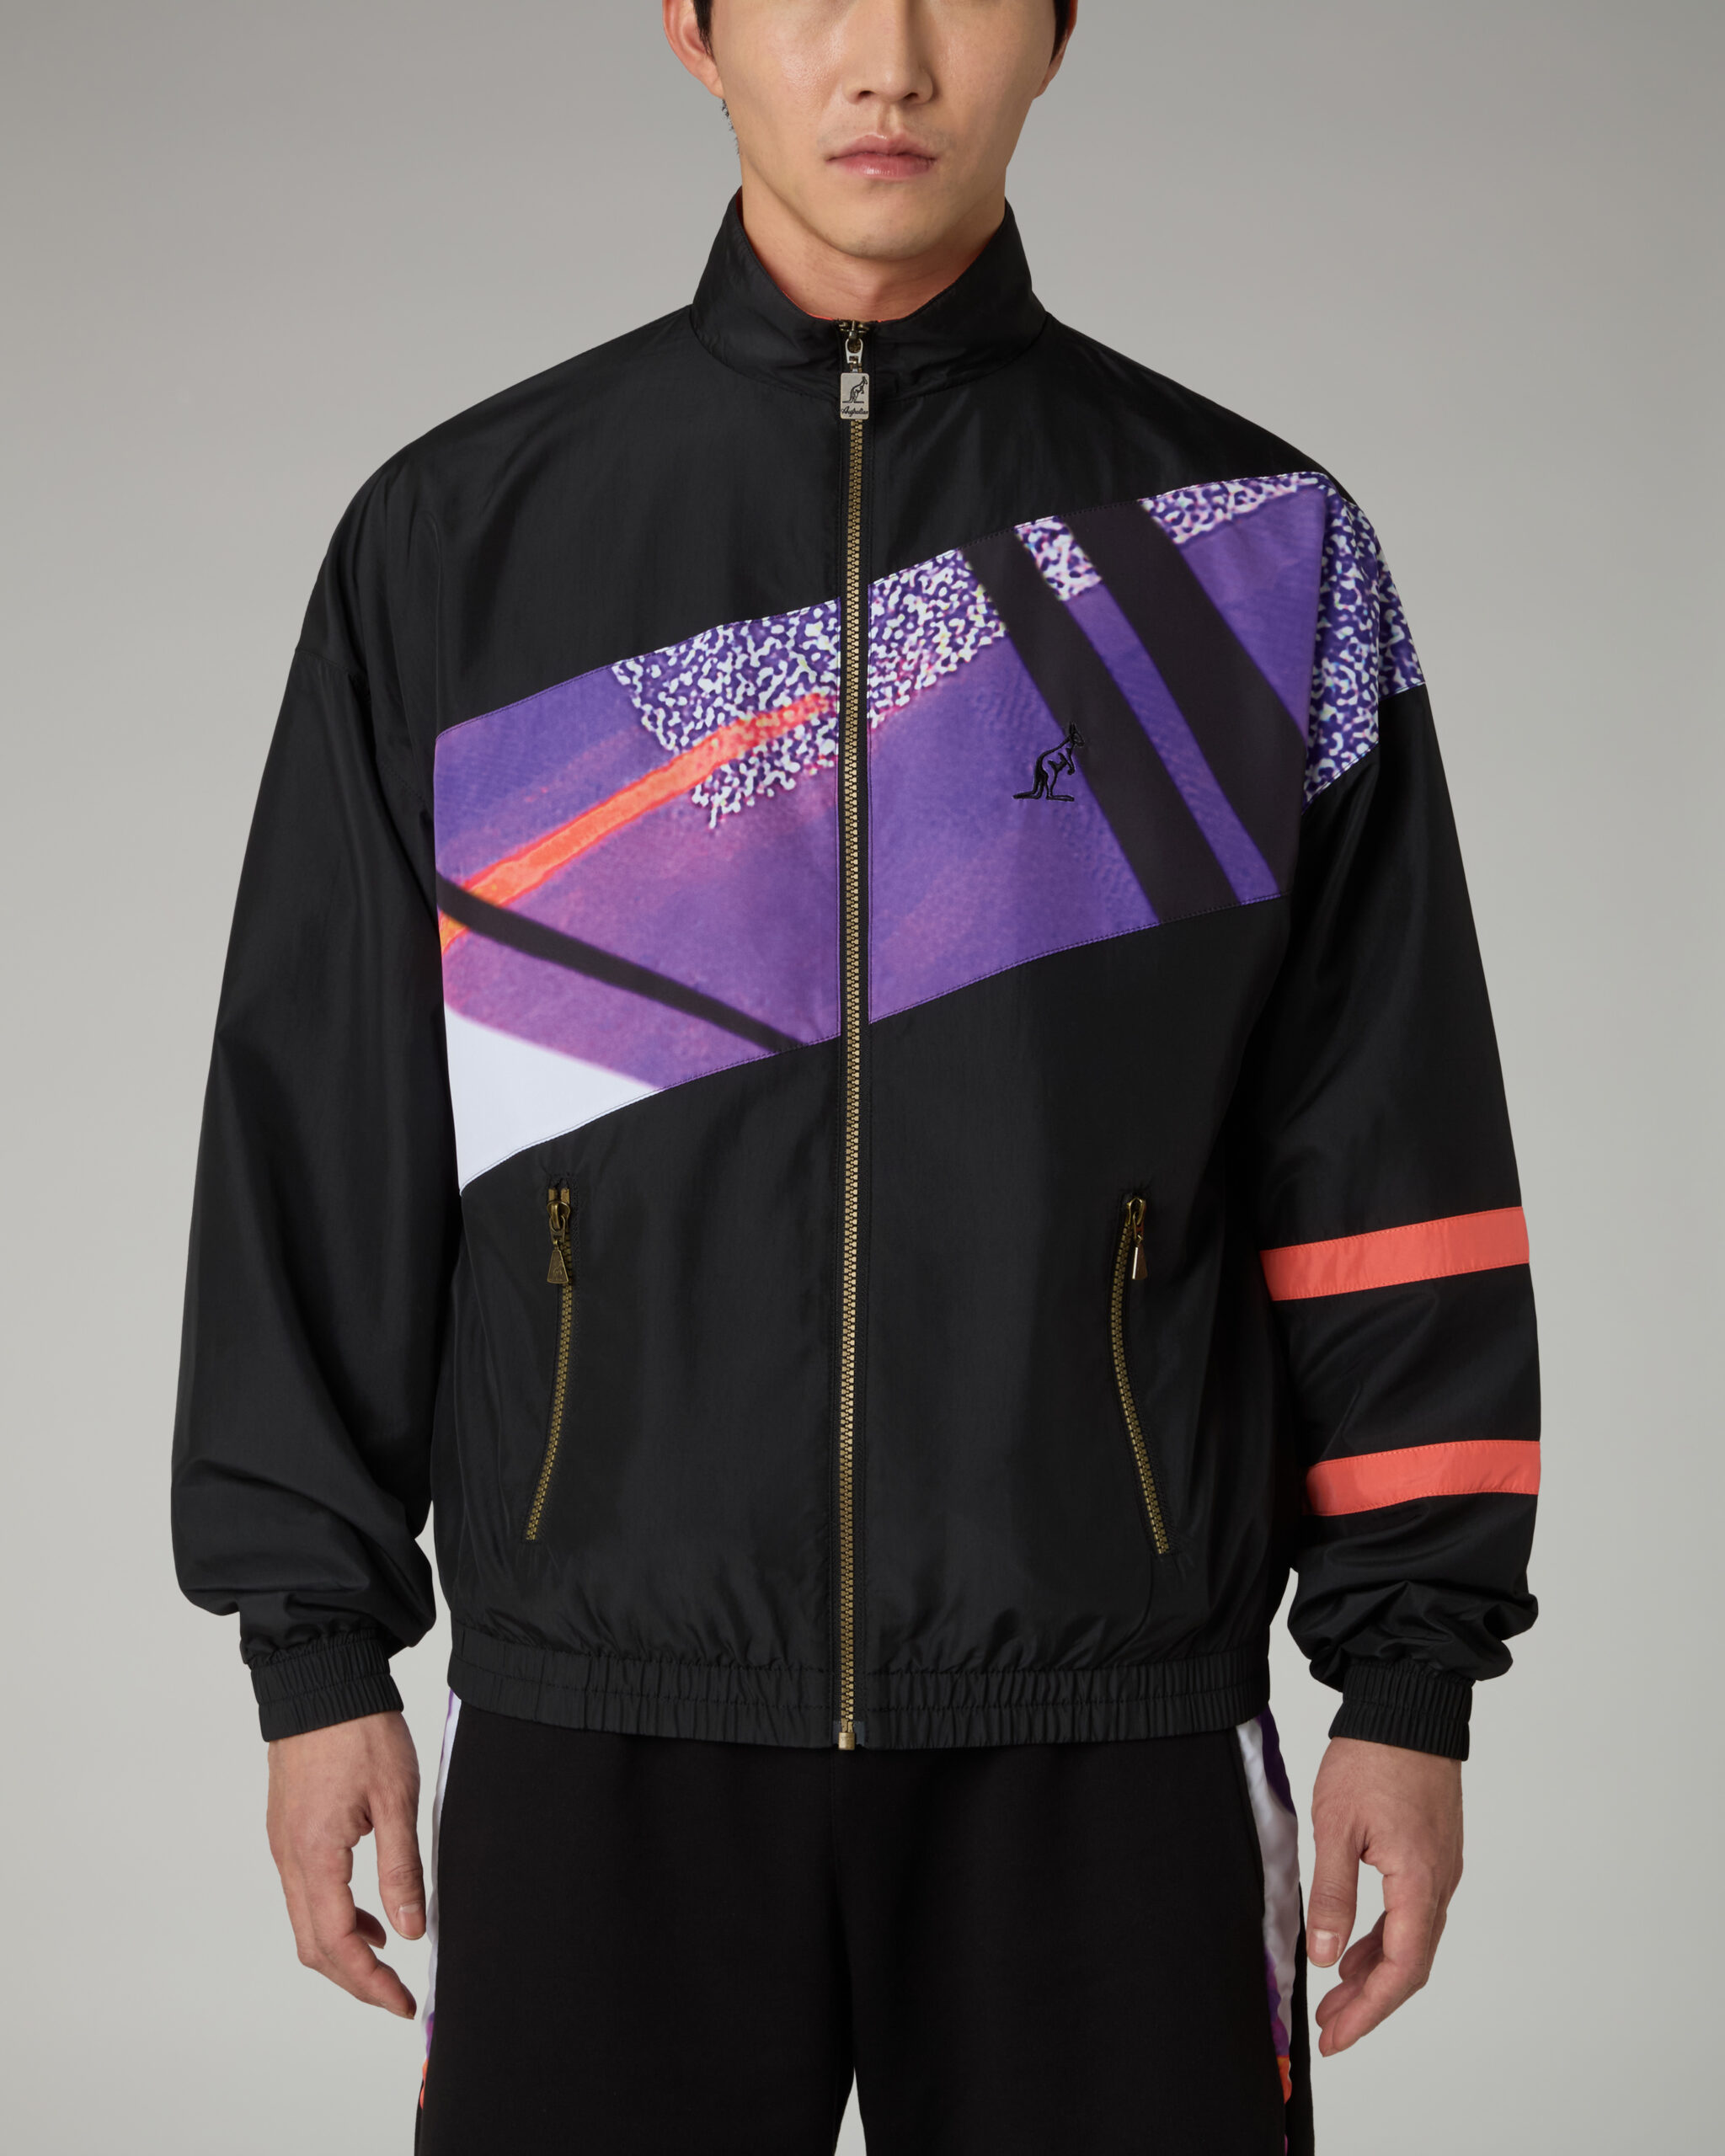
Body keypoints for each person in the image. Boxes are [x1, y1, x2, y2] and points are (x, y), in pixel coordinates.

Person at [171, 2, 1541, 2148]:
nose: (888, 60)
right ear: (693, 28)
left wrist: (1409, 1668)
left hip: (1105, 1713)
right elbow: (322, 1123)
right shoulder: (458, 543)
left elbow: (1384, 1129)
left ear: (1059, 31)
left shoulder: (1255, 555)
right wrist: (313, 1641)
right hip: (604, 1703)